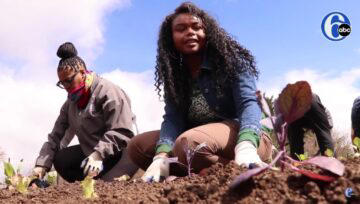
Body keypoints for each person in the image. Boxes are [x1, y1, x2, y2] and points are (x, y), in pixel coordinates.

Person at [128, 2, 272, 182]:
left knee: (189, 144)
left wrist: (246, 144)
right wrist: (161, 156)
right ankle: (195, 171)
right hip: (195, 139)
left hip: (242, 135)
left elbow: (248, 103)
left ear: (208, 32)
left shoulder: (232, 61)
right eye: (181, 29)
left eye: (197, 27)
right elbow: (173, 118)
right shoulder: (175, 76)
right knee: (137, 147)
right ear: (170, 37)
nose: (190, 32)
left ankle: (248, 166)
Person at [33, 42, 138, 182]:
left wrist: (98, 155)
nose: (66, 87)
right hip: (93, 157)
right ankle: (86, 184)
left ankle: (103, 181)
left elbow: (121, 131)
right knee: (62, 160)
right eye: (61, 83)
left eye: (69, 81)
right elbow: (56, 137)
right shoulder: (70, 104)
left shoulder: (108, 92)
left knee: (109, 188)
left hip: (122, 154)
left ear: (82, 73)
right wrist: (41, 165)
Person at [284, 93, 334, 159]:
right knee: (324, 135)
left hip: (296, 105)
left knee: (324, 135)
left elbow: (326, 134)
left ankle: (329, 160)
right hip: (303, 103)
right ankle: (298, 163)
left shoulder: (326, 115)